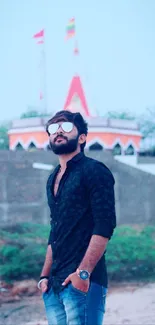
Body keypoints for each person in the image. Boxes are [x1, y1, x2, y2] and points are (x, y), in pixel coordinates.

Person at [38, 110, 116, 325]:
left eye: (66, 127)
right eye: (53, 129)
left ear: (82, 137)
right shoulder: (53, 177)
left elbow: (105, 224)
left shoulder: (95, 171)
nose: (59, 132)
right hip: (54, 285)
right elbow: (56, 231)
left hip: (83, 282)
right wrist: (44, 277)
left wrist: (83, 274)